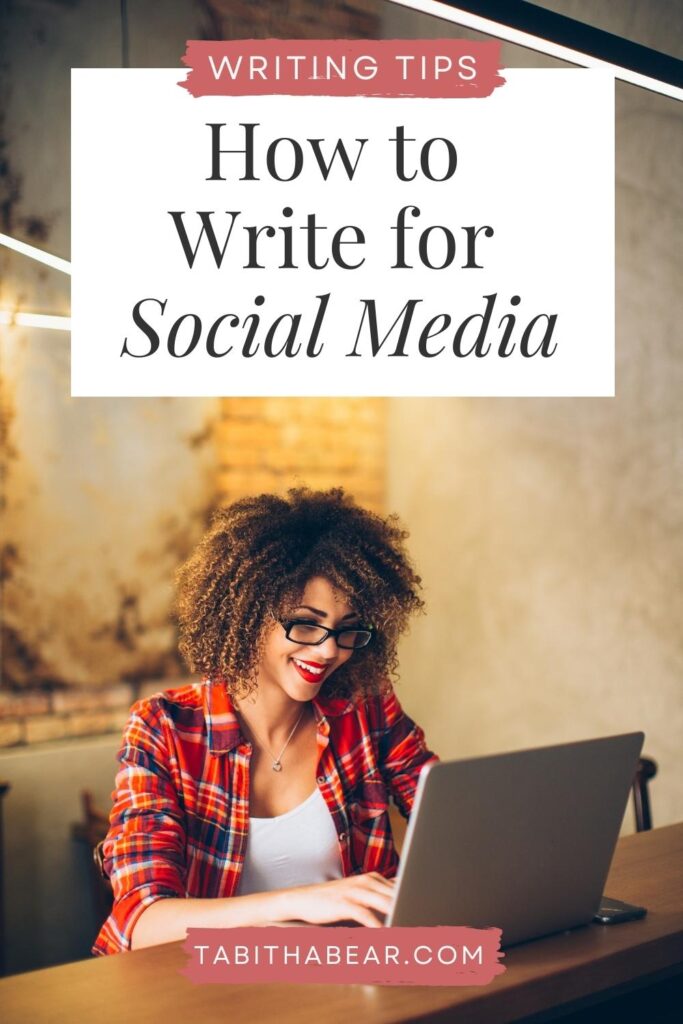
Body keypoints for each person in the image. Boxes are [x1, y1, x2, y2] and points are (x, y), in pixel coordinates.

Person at [93, 488, 437, 955]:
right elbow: (142, 921)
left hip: (349, 986)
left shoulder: (365, 707)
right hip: (209, 996)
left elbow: (451, 821)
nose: (329, 650)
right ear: (248, 612)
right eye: (306, 623)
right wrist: (301, 903)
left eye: (347, 628)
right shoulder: (164, 728)